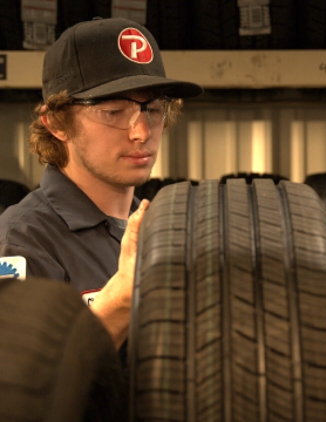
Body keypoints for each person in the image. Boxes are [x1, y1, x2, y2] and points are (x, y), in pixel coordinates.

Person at [0, 17, 203, 350]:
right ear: (56, 124)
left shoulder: (160, 230)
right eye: (113, 112)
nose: (143, 132)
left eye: (152, 108)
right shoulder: (21, 242)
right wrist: (118, 303)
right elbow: (21, 392)